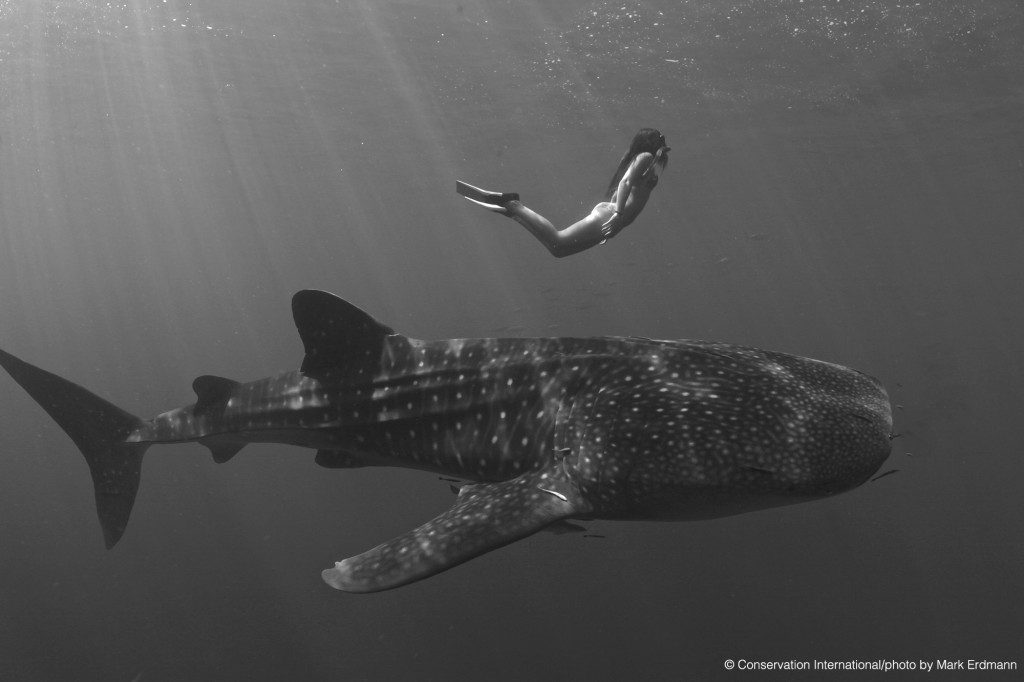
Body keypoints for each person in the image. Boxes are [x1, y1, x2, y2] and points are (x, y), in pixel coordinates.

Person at [457, 128, 669, 258]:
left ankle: (514, 213)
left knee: (558, 250)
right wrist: (618, 215)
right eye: (662, 141)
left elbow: (630, 192)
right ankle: (514, 205)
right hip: (610, 215)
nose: (665, 146)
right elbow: (625, 182)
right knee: (558, 241)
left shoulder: (648, 162)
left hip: (612, 219)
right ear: (652, 143)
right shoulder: (646, 157)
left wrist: (616, 227)